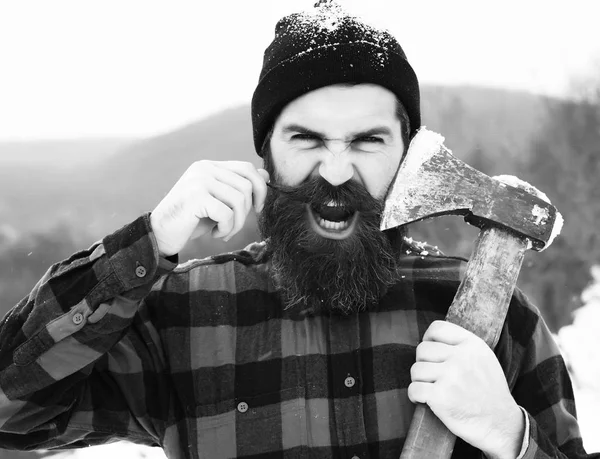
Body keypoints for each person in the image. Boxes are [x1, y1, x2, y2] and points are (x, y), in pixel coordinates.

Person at [0, 2, 596, 458]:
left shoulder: (494, 320)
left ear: (408, 156)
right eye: (306, 139)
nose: (335, 171)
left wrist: (508, 434)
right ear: (267, 154)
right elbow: (12, 411)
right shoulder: (183, 314)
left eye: (367, 141)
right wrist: (150, 241)